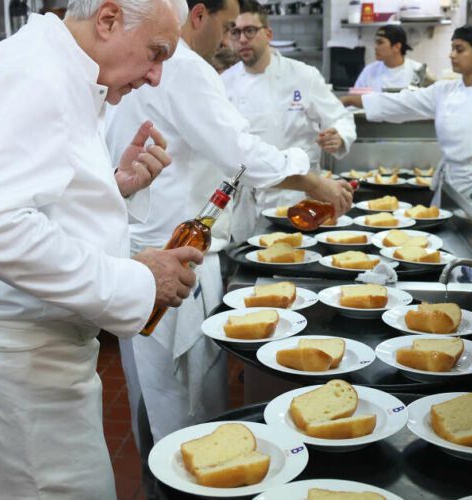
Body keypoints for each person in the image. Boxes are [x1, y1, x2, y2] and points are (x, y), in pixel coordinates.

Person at [0, 1, 199, 498]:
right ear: (108, 19)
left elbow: (30, 204)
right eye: (155, 53)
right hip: (14, 369)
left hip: (29, 360)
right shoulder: (31, 75)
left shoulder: (61, 74)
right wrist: (137, 278)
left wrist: (113, 187)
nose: (155, 77)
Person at [103, 0, 353, 496]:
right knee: (186, 404)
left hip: (146, 252)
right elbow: (240, 152)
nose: (228, 38)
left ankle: (166, 485)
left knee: (152, 396)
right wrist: (313, 181)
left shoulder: (154, 67)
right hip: (174, 257)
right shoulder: (183, 67)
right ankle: (188, 487)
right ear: (199, 14)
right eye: (224, 25)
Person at [221, 0, 357, 241]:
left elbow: (341, 118)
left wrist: (339, 135)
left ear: (268, 34)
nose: (242, 39)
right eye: (235, 32)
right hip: (247, 200)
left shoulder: (303, 75)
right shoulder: (223, 84)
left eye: (250, 30)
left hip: (299, 197)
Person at [342, 23, 472, 204]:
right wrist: (350, 100)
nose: (451, 55)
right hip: (450, 179)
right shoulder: (445, 90)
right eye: (452, 48)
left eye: (459, 50)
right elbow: (402, 102)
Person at [353, 24, 426, 91]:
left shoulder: (419, 71)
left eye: (380, 43)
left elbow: (432, 102)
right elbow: (355, 100)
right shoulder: (369, 71)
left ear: (397, 47)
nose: (375, 47)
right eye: (376, 42)